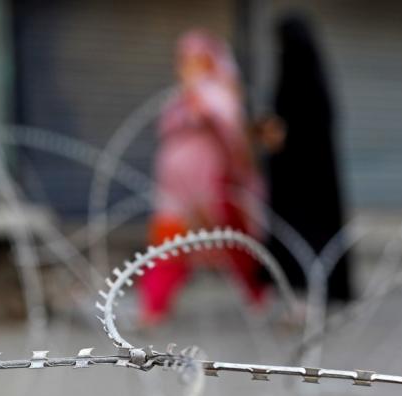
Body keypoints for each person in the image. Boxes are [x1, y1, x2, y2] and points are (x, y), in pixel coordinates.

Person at [140, 30, 267, 326]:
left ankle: (259, 295)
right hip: (175, 186)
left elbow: (230, 132)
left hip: (209, 183)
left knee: (233, 242)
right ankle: (154, 306)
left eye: (196, 60)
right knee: (168, 241)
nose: (188, 65)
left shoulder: (217, 94)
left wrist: (199, 99)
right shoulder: (178, 98)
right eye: (184, 59)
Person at [260, 13, 352, 302]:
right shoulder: (314, 78)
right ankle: (306, 296)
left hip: (298, 179)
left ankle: (305, 297)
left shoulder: (299, 79)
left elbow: (296, 127)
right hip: (312, 178)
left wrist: (280, 134)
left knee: (300, 236)